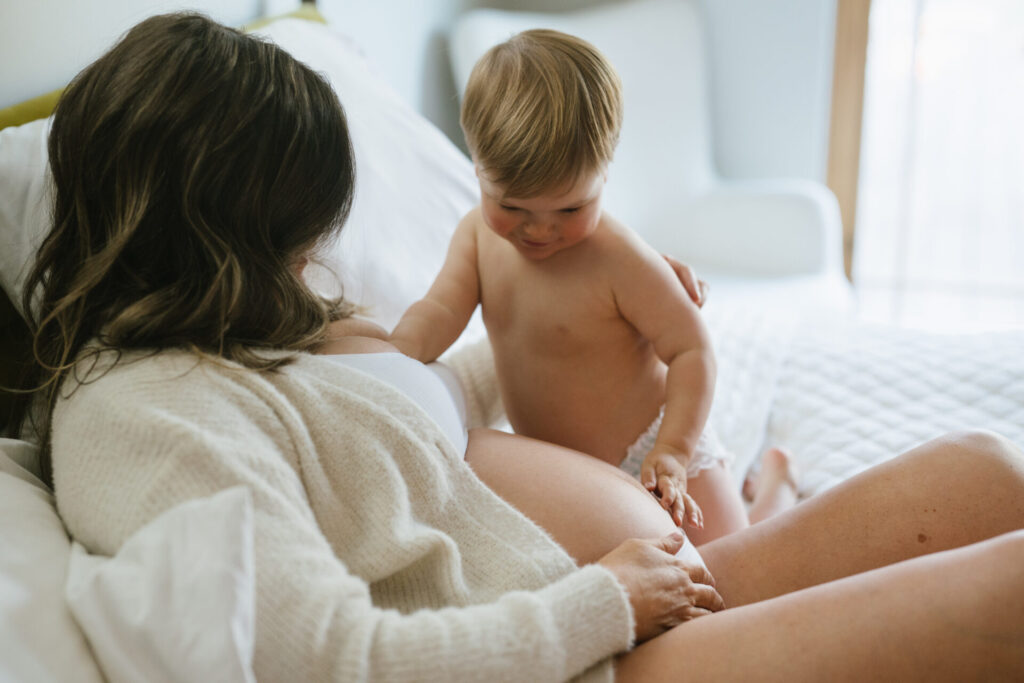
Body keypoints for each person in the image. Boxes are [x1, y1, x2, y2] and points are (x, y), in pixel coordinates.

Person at [12, 13, 1024, 682]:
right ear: (220, 224)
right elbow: (334, 657)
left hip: (630, 594)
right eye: (296, 225)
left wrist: (604, 315)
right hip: (579, 653)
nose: (317, 247)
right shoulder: (140, 416)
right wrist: (603, 600)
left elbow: (415, 419)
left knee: (987, 471)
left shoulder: (259, 327)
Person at [388, 29, 796, 543]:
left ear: (605, 174)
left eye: (570, 209)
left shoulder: (620, 260)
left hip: (652, 454)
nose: (539, 230)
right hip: (572, 477)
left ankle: (777, 487)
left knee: (738, 561)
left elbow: (693, 349)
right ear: (477, 167)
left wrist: (673, 449)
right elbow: (440, 309)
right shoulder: (475, 237)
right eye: (511, 206)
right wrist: (394, 356)